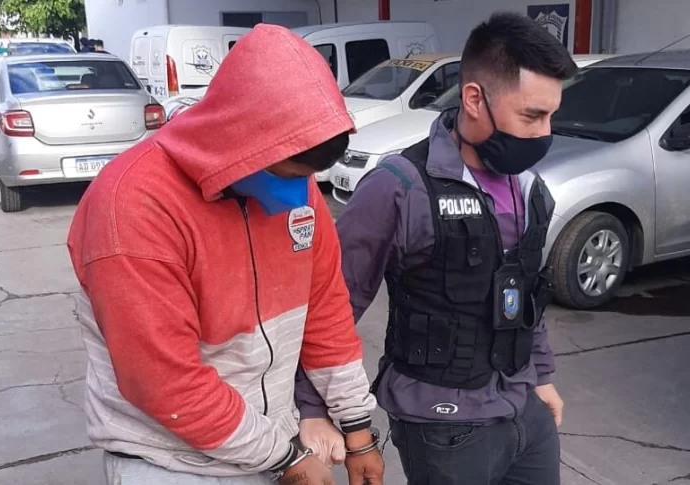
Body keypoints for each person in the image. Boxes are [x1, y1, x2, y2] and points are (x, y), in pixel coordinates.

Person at [67, 24, 384, 485]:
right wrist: (285, 458)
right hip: (171, 464)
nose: (301, 195)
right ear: (240, 141)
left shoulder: (296, 190)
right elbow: (166, 383)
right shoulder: (131, 208)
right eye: (288, 174)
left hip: (271, 444)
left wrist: (357, 428)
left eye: (308, 178)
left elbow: (325, 313)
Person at [295, 11, 577, 485]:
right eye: (531, 116)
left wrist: (542, 375)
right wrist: (312, 407)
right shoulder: (400, 187)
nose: (543, 133)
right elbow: (332, 303)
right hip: (444, 426)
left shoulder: (529, 189)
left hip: (523, 408)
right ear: (474, 99)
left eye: (551, 116)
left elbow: (527, 296)